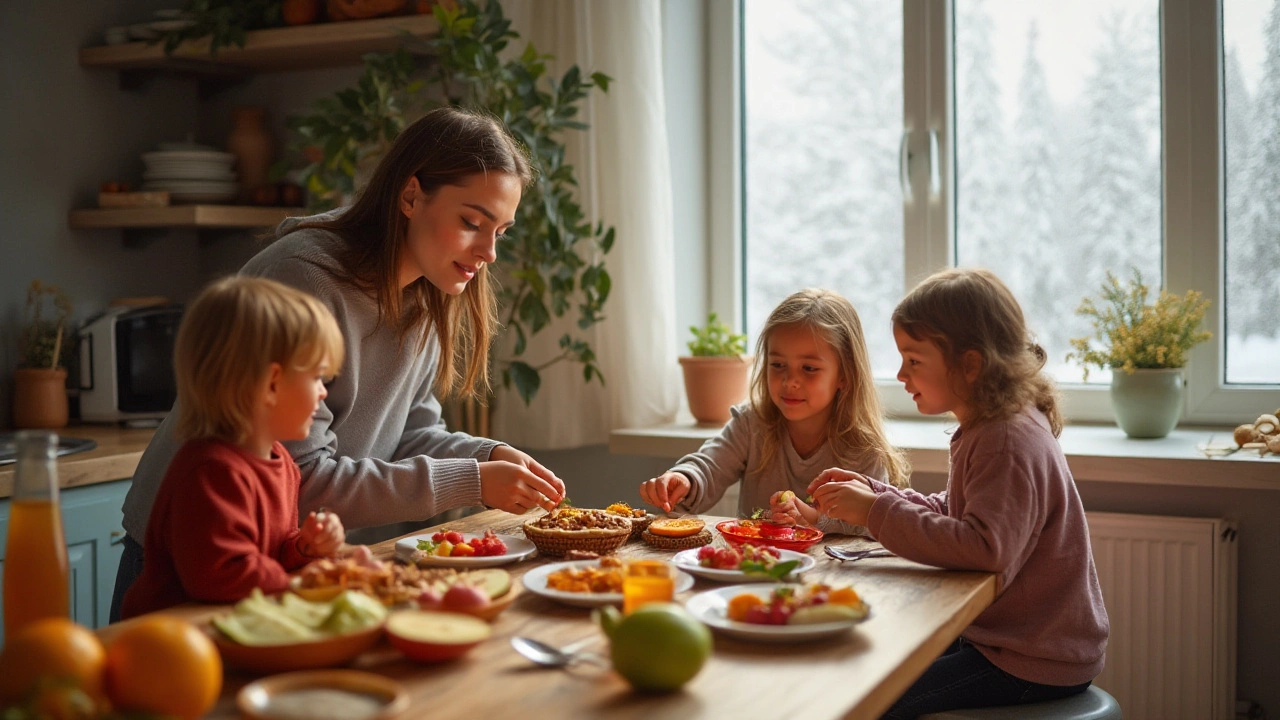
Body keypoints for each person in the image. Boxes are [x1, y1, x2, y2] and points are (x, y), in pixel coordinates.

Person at [112, 107, 566, 621]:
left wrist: (488, 455)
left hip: (280, 559)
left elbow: (411, 433)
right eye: (471, 222)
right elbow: (300, 479)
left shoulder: (427, 290)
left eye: (500, 231)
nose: (488, 252)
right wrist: (471, 480)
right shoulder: (305, 279)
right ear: (411, 196)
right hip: (186, 563)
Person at [808, 268, 1109, 719]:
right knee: (872, 660)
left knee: (871, 699)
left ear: (970, 364)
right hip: (1010, 643)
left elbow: (984, 547)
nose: (900, 374)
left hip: (1031, 659)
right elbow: (958, 512)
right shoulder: (991, 425)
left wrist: (876, 511)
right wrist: (872, 492)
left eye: (913, 359)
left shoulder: (1006, 439)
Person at [121, 277, 347, 618]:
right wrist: (306, 582)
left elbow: (266, 553)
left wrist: (302, 547)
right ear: (271, 384)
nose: (323, 392)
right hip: (173, 642)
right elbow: (222, 574)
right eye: (317, 377)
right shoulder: (211, 472)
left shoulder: (281, 461)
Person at [639, 288, 909, 534]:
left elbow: (869, 524)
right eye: (778, 364)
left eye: (809, 368)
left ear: (845, 375)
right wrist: (684, 478)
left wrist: (813, 518)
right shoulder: (752, 423)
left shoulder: (863, 449)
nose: (790, 381)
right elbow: (710, 465)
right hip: (755, 571)